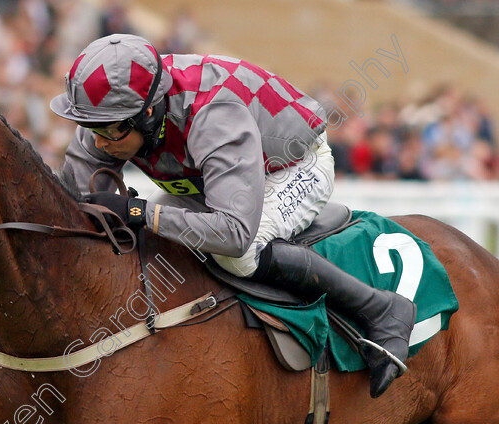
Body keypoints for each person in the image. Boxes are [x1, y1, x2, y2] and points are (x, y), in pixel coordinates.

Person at [50, 34, 416, 398]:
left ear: (148, 113)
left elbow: (233, 232)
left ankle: (381, 309)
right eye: (90, 127)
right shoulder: (118, 111)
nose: (98, 142)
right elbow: (71, 206)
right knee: (156, 243)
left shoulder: (213, 114)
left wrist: (137, 211)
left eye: (110, 129)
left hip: (290, 166)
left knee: (237, 255)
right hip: (210, 178)